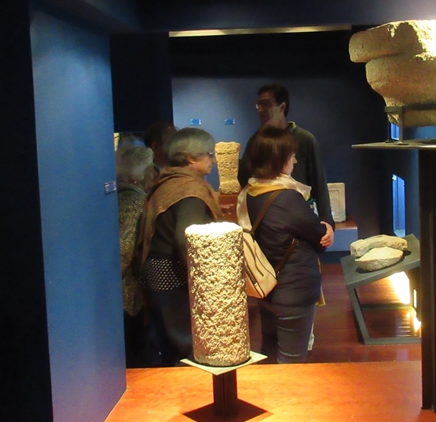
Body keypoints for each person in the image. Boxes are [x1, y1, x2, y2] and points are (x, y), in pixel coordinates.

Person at [237, 125, 335, 363]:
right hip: (293, 291)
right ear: (279, 159)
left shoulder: (250, 192)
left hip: (266, 287)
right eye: (291, 155)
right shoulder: (288, 198)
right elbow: (320, 238)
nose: (295, 160)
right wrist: (327, 228)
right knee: (292, 362)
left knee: (270, 352)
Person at [135, 127, 223, 366]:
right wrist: (204, 280)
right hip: (174, 278)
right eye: (209, 154)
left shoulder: (166, 182)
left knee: (168, 346)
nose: (214, 160)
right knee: (187, 348)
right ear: (191, 158)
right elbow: (186, 239)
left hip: (156, 274)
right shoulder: (190, 190)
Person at [239, 83, 334, 228]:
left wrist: (327, 220)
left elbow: (318, 182)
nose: (261, 110)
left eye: (266, 104)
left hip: (299, 216)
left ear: (282, 107)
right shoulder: (256, 140)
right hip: (268, 217)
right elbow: (245, 177)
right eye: (258, 105)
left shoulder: (304, 139)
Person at [115, 145, 159, 367]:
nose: (154, 174)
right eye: (150, 169)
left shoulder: (119, 195)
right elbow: (124, 249)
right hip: (127, 295)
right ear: (138, 174)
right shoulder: (133, 201)